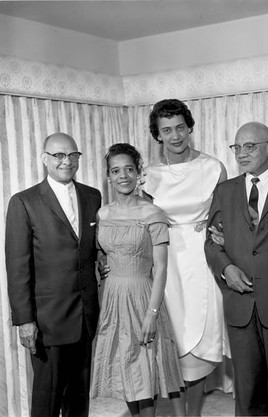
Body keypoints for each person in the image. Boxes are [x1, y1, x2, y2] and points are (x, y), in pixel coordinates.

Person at [204, 121, 268, 416]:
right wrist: (226, 269)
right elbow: (211, 243)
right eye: (237, 147)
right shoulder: (224, 191)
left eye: (249, 146)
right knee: (247, 390)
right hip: (240, 304)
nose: (241, 153)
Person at [5, 132, 101, 417]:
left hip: (85, 315)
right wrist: (24, 320)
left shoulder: (91, 195)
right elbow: (17, 266)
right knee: (47, 401)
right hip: (48, 321)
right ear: (45, 158)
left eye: (73, 155)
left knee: (78, 399)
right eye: (59, 155)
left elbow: (90, 248)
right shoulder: (24, 202)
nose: (67, 161)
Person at [143, 99, 227, 416]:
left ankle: (192, 413)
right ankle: (179, 413)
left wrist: (222, 235)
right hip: (165, 259)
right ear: (158, 135)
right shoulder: (147, 176)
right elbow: (141, 223)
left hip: (202, 257)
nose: (175, 136)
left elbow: (224, 215)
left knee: (199, 334)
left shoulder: (213, 167)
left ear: (189, 127)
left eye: (180, 127)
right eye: (167, 130)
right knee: (173, 337)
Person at [90, 143, 184, 417]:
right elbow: (101, 251)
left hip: (143, 298)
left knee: (144, 374)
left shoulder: (152, 213)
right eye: (116, 170)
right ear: (109, 176)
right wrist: (100, 260)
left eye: (129, 169)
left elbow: (162, 268)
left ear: (138, 173)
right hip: (112, 299)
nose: (123, 176)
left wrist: (152, 314)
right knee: (124, 373)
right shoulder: (103, 214)